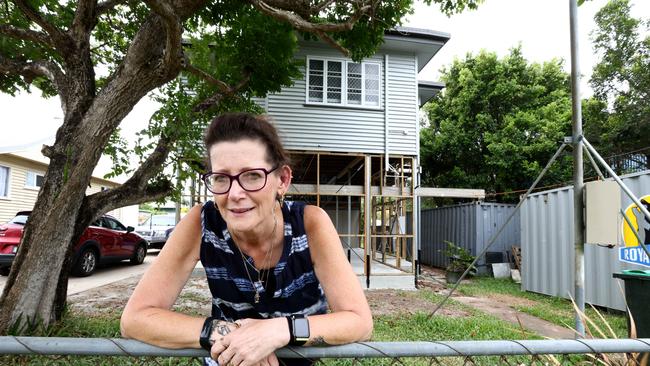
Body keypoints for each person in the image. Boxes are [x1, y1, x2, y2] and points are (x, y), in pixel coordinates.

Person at [121, 112, 373, 366]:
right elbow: (135, 319)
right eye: (221, 178)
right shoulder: (201, 224)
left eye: (252, 175)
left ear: (282, 180)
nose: (235, 193)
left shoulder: (310, 224)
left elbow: (359, 322)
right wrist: (230, 334)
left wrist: (277, 330)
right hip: (228, 358)